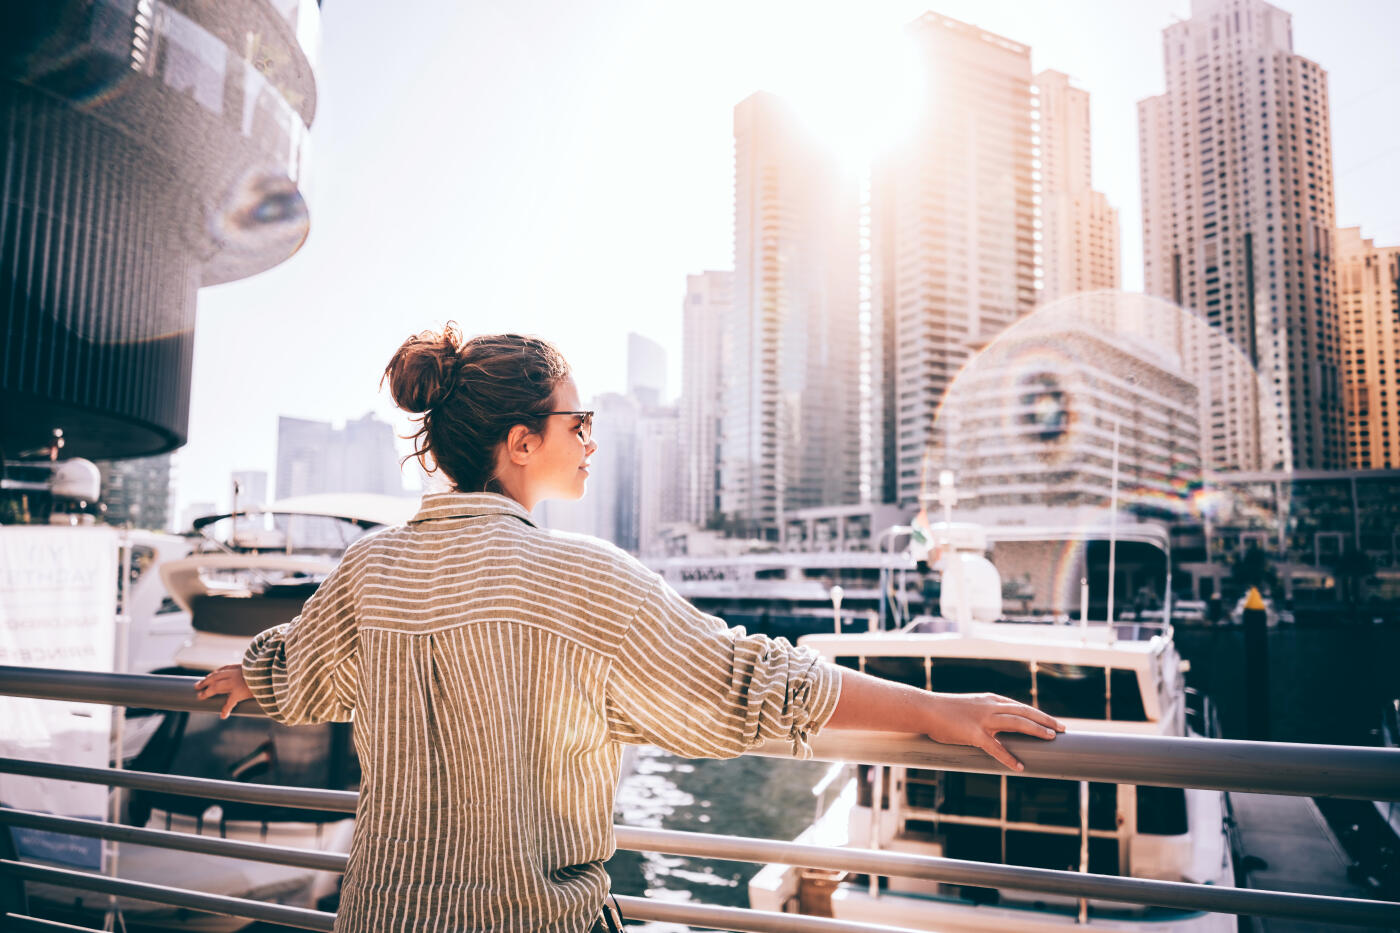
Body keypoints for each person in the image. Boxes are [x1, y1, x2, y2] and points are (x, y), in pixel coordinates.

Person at [195, 327, 1064, 933]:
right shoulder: (584, 580)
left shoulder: (369, 569)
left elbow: (299, 674)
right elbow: (748, 683)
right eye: (580, 424)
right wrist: (929, 710)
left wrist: (249, 672)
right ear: (522, 440)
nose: (592, 442)